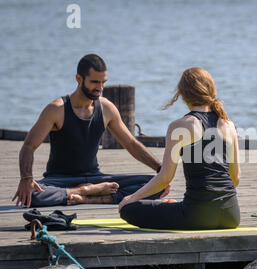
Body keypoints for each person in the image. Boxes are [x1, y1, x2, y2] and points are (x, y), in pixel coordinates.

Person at [12, 54, 168, 208]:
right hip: (59, 180)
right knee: (32, 194)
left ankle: (89, 199)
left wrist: (162, 170)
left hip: (96, 178)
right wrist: (26, 178)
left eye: (103, 82)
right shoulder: (56, 109)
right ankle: (83, 191)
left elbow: (131, 143)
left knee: (156, 185)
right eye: (94, 82)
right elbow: (28, 146)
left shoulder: (106, 108)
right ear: (79, 79)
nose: (100, 88)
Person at [118, 67, 240, 230]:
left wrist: (132, 198)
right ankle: (174, 205)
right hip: (231, 216)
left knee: (129, 209)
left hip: (196, 216)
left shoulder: (180, 126)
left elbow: (165, 178)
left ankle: (170, 205)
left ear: (182, 94)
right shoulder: (228, 124)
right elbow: (235, 177)